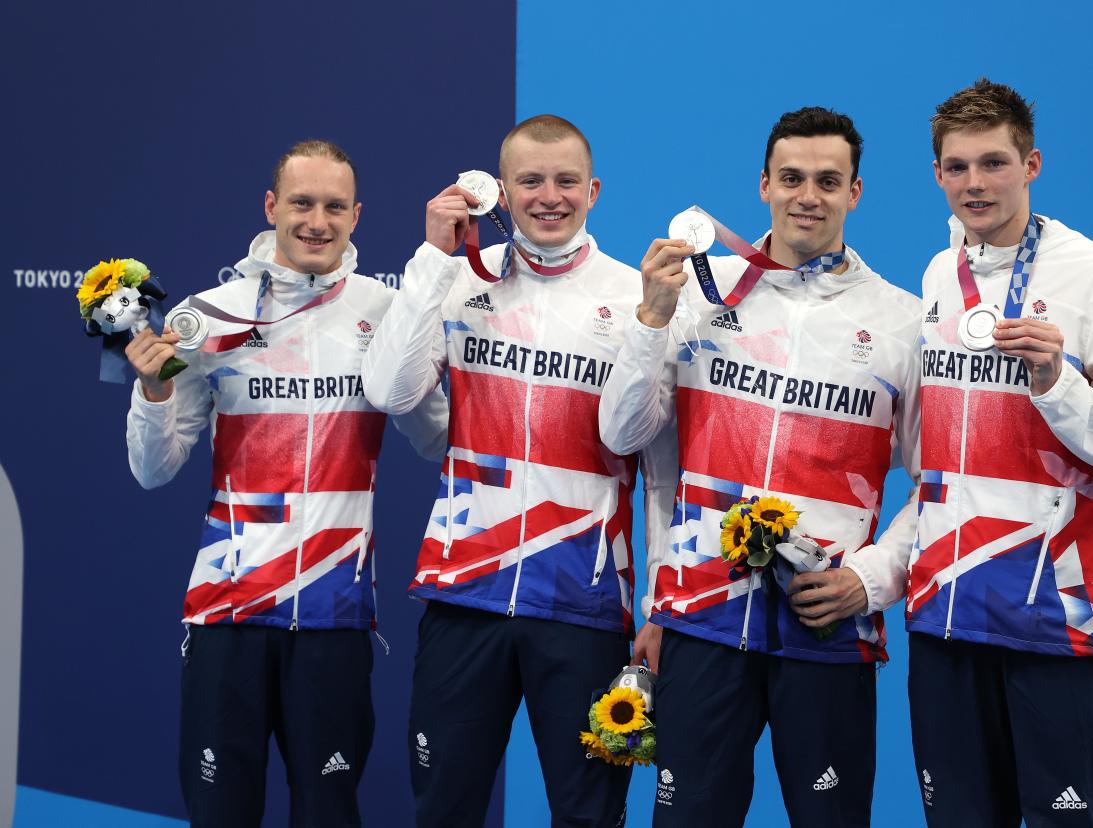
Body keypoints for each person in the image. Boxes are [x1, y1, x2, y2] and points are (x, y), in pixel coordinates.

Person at [598, 107, 922, 827]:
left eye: (828, 181)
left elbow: (939, 490)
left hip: (826, 626)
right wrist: (651, 318)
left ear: (855, 194)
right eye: (793, 178)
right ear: (764, 185)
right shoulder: (699, 296)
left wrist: (867, 583)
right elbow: (624, 433)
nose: (809, 195)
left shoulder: (902, 321)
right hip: (703, 623)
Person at [361, 114, 675, 827]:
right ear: (499, 192)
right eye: (530, 181)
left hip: (585, 604)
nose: (549, 196)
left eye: (566, 180)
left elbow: (659, 473)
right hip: (465, 589)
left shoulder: (639, 297)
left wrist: (657, 605)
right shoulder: (461, 284)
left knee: (589, 817)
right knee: (443, 809)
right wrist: (434, 259)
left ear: (593, 189)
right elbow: (389, 391)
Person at [125, 139, 447, 827]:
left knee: (328, 813)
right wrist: (152, 391)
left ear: (357, 215)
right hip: (228, 609)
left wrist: (428, 369)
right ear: (271, 206)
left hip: (333, 611)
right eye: (301, 203)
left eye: (335, 206)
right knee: (220, 813)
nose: (316, 221)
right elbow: (154, 469)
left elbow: (437, 440)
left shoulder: (387, 312)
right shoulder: (206, 317)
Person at [906, 78, 1093, 827]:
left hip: (1054, 618)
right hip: (945, 613)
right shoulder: (939, 275)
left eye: (994, 163)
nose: (975, 184)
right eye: (957, 167)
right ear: (937, 175)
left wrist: (1059, 384)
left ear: (1033, 165)